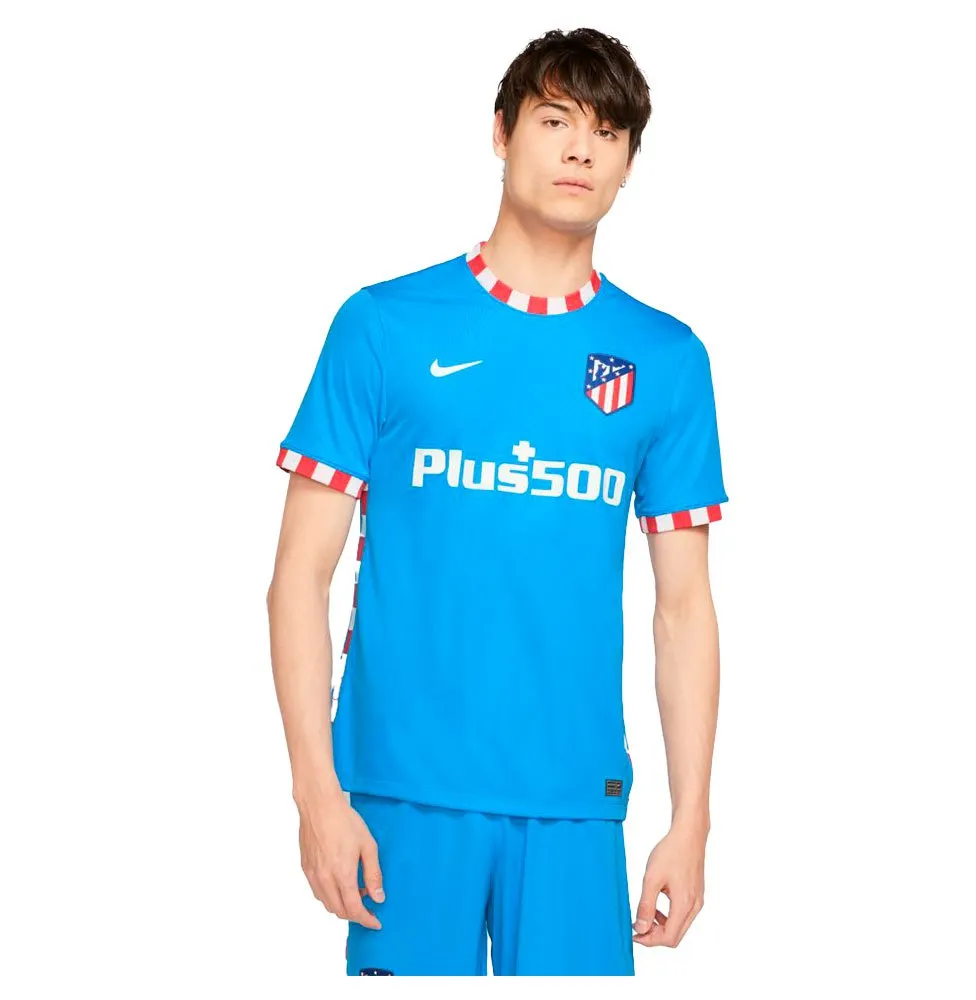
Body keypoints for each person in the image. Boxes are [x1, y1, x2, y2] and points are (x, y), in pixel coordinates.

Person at [267, 26, 728, 977]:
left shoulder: (668, 359)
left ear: (629, 162)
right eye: (555, 120)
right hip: (398, 794)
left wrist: (692, 819)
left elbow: (683, 608)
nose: (580, 150)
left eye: (607, 132)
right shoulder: (383, 326)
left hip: (575, 799)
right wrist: (316, 793)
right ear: (501, 132)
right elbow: (297, 579)